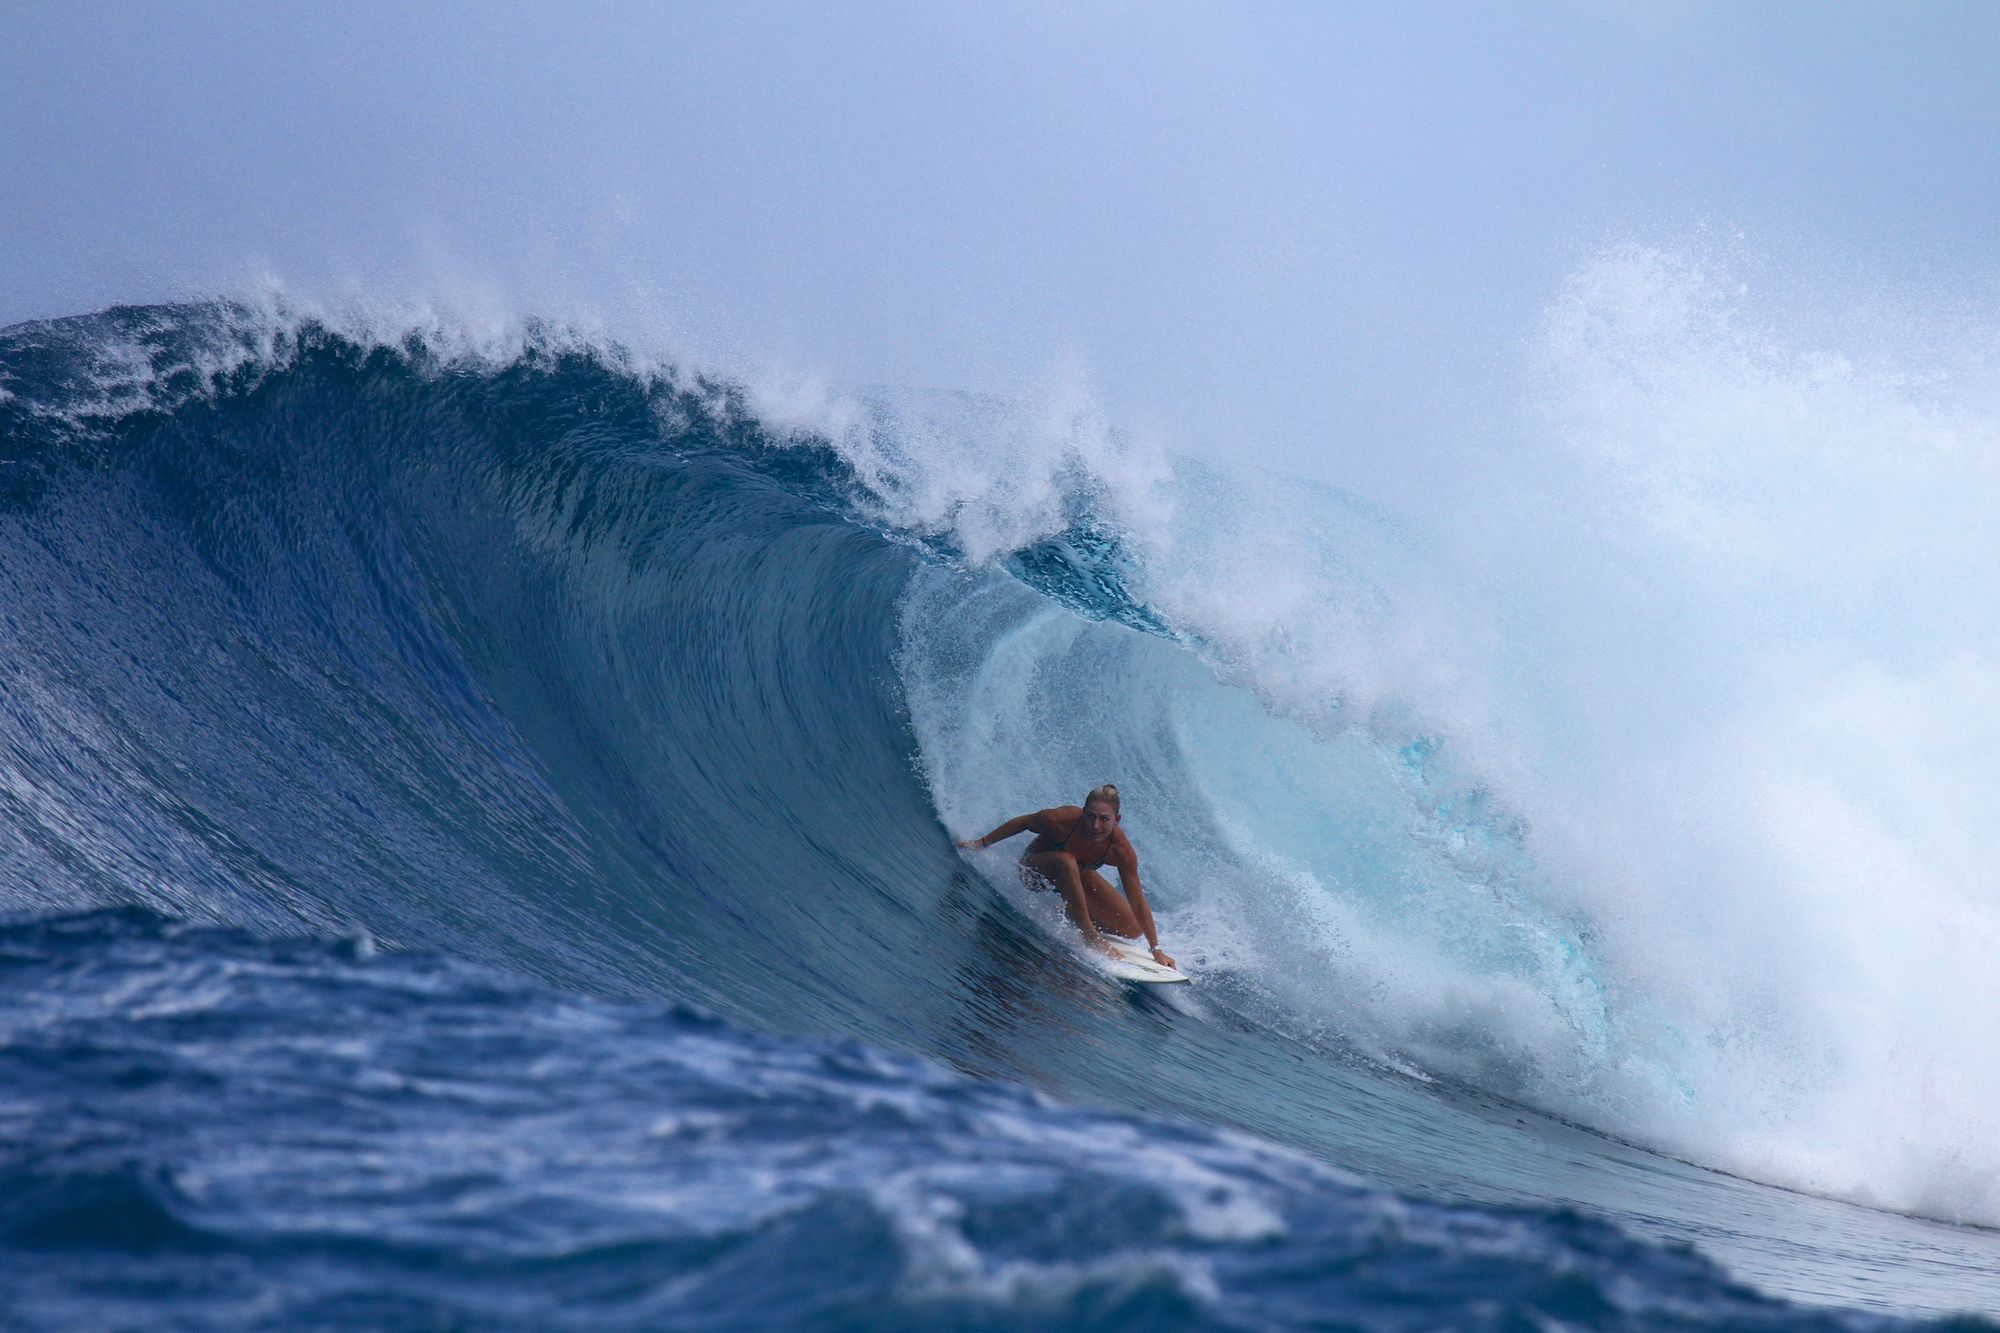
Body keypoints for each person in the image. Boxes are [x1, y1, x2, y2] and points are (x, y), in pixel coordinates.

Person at [956, 783, 1176, 969]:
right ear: (1082, 812)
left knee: (1132, 928)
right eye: (1090, 817)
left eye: (1104, 819)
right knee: (1067, 861)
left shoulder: (1121, 851)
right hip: (1036, 872)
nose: (1095, 825)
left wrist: (1156, 950)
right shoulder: (1059, 820)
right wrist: (981, 843)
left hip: (1077, 876)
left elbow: (1137, 899)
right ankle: (1089, 934)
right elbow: (1023, 822)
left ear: (1117, 819)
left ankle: (1073, 914)